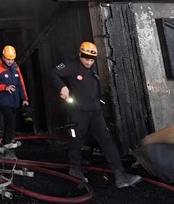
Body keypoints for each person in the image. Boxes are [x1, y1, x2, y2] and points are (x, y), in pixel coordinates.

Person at [53, 40, 140, 188]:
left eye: (92, 59)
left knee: (107, 140)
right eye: (86, 58)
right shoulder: (71, 66)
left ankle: (120, 174)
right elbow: (53, 72)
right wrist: (62, 87)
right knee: (77, 141)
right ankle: (75, 169)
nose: (89, 61)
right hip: (78, 113)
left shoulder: (93, 69)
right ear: (80, 54)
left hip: (95, 112)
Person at [0, 45, 28, 148]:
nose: (10, 61)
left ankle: (7, 140)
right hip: (4, 101)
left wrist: (24, 99)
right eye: (8, 59)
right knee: (10, 120)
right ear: (3, 57)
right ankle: (7, 143)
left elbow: (21, 84)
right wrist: (4, 87)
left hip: (15, 101)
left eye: (12, 59)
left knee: (11, 121)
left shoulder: (16, 68)